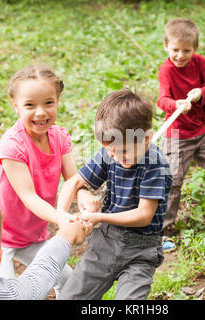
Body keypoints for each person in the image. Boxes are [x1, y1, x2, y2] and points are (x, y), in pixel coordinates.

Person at [0, 64, 99, 292]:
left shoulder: (58, 136)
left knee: (67, 281)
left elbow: (73, 177)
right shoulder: (12, 146)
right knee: (6, 294)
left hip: (31, 233)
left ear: (57, 102)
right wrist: (62, 219)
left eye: (48, 103)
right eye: (29, 105)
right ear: (16, 106)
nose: (40, 112)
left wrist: (83, 193)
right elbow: (29, 197)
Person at [56, 89, 173, 300]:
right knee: (70, 297)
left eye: (123, 151)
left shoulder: (155, 165)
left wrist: (99, 216)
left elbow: (144, 215)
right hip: (106, 242)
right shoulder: (112, 151)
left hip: (141, 250)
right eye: (110, 151)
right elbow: (74, 182)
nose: (116, 157)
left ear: (147, 139)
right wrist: (61, 216)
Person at [157, 18, 205, 251]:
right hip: (176, 136)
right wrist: (176, 104)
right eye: (175, 50)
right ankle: (161, 232)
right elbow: (162, 100)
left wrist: (201, 93)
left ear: (195, 49)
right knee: (172, 181)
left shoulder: (200, 63)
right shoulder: (167, 70)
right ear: (165, 46)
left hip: (199, 135)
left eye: (186, 51)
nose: (180, 55)